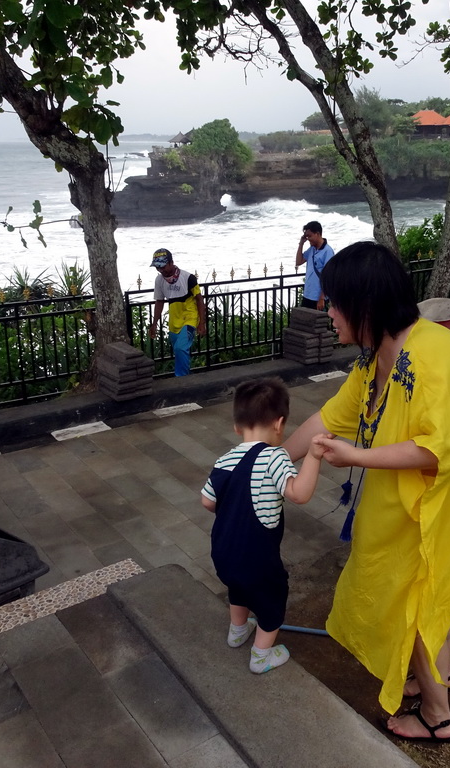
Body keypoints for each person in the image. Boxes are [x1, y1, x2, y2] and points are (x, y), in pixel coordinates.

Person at [284, 242, 450, 744]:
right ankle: (445, 672)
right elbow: (331, 418)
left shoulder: (431, 357)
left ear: (365, 307)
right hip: (439, 484)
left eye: (333, 303)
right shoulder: (375, 359)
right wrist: (265, 464)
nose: (326, 313)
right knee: (425, 586)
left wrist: (355, 457)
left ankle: (438, 716)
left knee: (415, 591)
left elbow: (438, 451)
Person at [201, 377, 325, 674]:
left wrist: (233, 508)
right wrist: (314, 456)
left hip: (222, 554)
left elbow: (206, 501)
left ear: (236, 426)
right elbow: (299, 493)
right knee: (271, 601)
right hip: (258, 561)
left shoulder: (224, 460)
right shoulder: (275, 457)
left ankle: (237, 631)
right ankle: (261, 656)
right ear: (279, 424)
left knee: (238, 589)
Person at [147, 248, 207, 377]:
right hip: (174, 321)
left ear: (171, 262)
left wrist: (201, 323)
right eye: (157, 268)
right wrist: (154, 323)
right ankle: (186, 376)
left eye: (163, 267)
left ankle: (181, 379)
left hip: (190, 318)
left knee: (180, 348)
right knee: (179, 350)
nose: (161, 270)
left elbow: (199, 300)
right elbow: (159, 301)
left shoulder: (188, 277)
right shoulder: (159, 281)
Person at [295, 221, 335, 310]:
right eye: (306, 236)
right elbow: (298, 261)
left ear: (317, 234)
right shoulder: (312, 249)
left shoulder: (327, 251)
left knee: (319, 323)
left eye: (310, 236)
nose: (308, 238)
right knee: (306, 322)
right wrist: (301, 243)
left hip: (318, 298)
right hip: (308, 295)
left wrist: (322, 298)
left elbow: (328, 276)